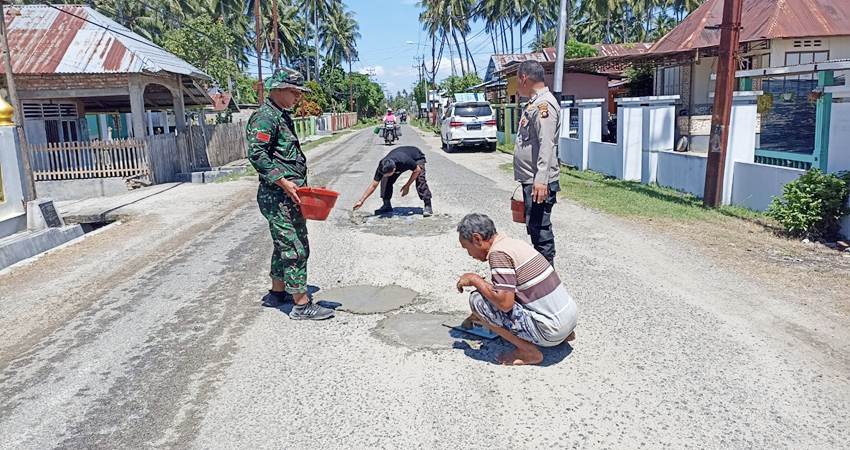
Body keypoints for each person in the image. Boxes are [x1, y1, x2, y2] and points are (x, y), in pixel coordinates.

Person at [246, 68, 334, 321]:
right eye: (294, 92)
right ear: (278, 89)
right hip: (278, 196)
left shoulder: (280, 115)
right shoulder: (265, 117)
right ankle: (301, 304)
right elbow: (257, 155)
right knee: (295, 246)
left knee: (282, 244)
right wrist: (283, 182)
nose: (298, 97)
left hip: (289, 196)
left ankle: (278, 292)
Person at [455, 213, 577, 366]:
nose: (469, 254)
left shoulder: (498, 254)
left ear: (477, 239)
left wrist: (475, 280)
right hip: (569, 321)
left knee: (477, 300)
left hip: (551, 331)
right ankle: (563, 335)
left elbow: (505, 304)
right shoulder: (512, 244)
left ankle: (528, 351)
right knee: (492, 292)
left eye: (467, 248)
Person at [514, 60, 561, 265]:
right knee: (534, 227)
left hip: (539, 181)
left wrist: (541, 180)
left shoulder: (544, 105)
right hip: (532, 180)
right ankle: (541, 276)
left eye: (517, 80)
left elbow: (546, 144)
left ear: (524, 78)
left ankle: (547, 278)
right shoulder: (534, 103)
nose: (517, 84)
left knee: (541, 230)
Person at [352, 146, 433, 217]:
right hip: (399, 155)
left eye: (388, 173)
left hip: (416, 156)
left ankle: (428, 205)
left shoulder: (403, 161)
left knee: (420, 179)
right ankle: (386, 205)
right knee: (385, 180)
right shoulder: (382, 166)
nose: (386, 175)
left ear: (394, 169)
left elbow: (417, 170)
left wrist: (407, 185)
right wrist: (361, 201)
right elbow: (373, 185)